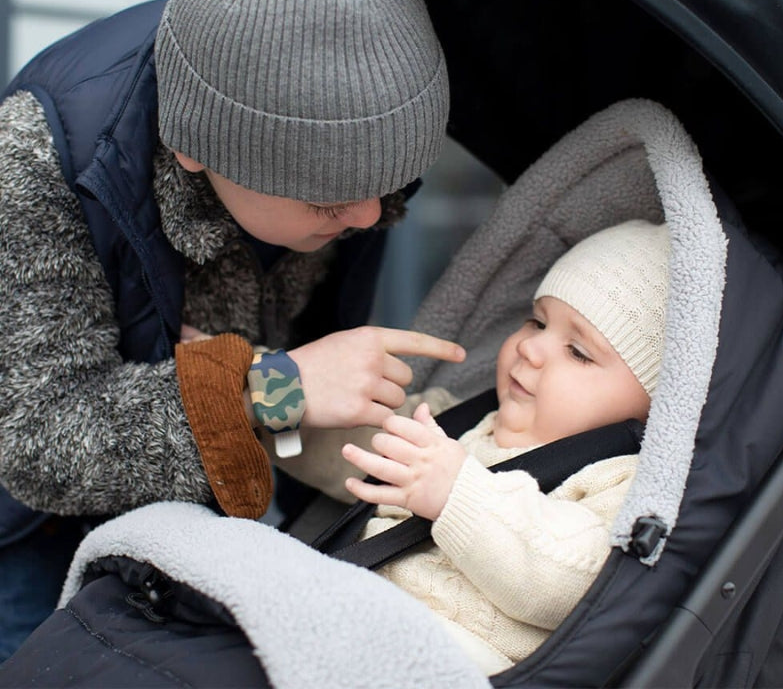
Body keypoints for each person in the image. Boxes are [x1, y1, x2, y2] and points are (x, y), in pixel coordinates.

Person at [0, 0, 460, 660]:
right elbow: (39, 440)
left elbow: (305, 382)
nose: (371, 214)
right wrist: (274, 386)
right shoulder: (42, 153)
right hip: (33, 542)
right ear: (194, 147)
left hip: (217, 529)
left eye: (389, 182)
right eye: (328, 197)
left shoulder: (357, 167)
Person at [262, 219, 670, 675]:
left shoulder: (622, 481)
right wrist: (267, 393)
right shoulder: (455, 421)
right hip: (346, 612)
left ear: (652, 406)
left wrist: (459, 494)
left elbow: (575, 582)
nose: (532, 348)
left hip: (450, 659)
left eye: (578, 352)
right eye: (537, 321)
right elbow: (340, 441)